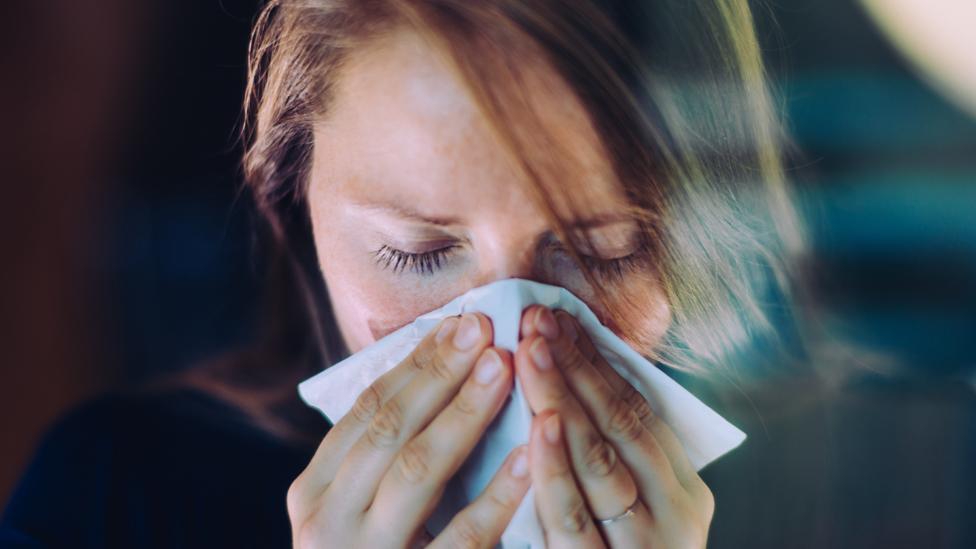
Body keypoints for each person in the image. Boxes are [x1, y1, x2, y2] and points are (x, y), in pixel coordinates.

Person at [0, 0, 812, 547]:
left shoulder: (825, 507)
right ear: (293, 207)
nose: (508, 340)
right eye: (416, 252)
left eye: (605, 253)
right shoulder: (109, 499)